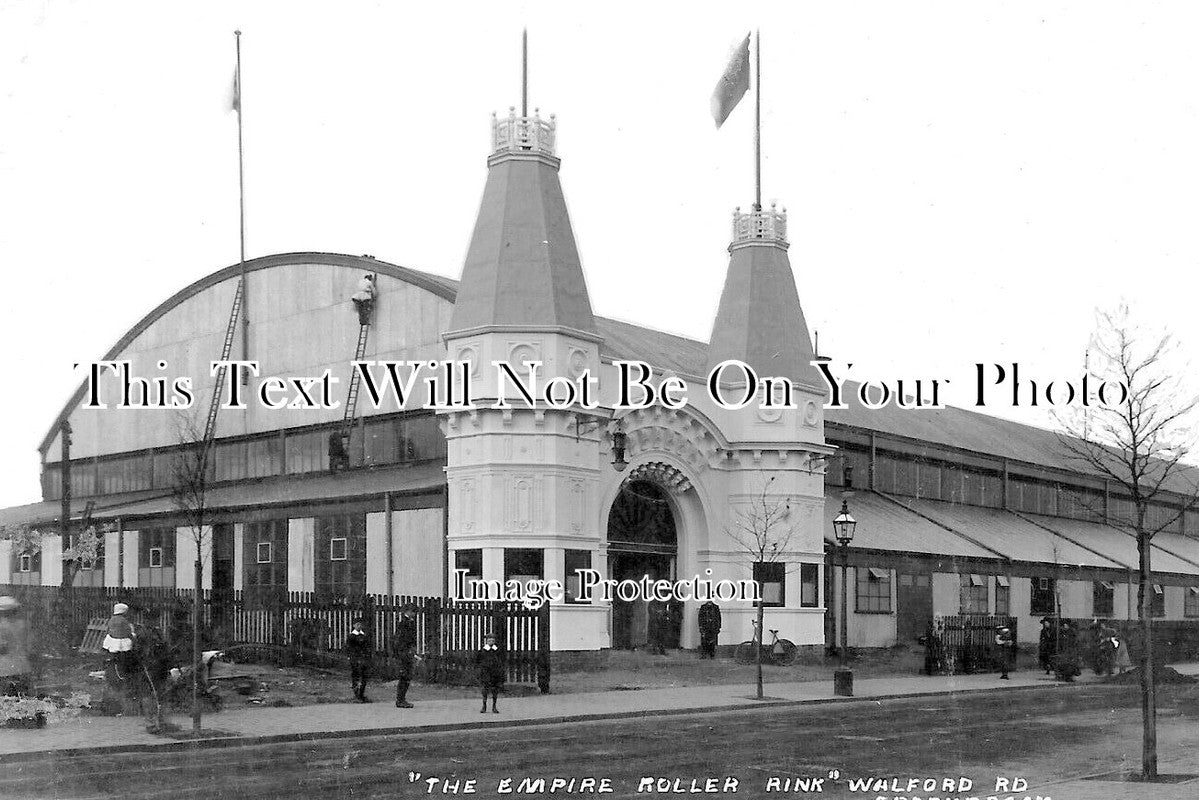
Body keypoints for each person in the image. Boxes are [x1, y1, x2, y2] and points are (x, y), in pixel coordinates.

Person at [0, 595, 31, 697]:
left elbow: (2, 648)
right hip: (23, 668)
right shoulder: (22, 624)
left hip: (5, 671)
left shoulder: (2, 626)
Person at [392, 605, 419, 708]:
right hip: (404, 652)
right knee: (405, 675)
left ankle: (402, 698)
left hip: (406, 651)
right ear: (409, 611)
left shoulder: (409, 622)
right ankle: (400, 699)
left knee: (407, 675)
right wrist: (406, 650)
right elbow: (402, 639)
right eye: (413, 612)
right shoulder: (404, 623)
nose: (415, 614)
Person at [474, 632, 505, 714]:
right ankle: (484, 706)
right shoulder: (482, 651)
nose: (491, 642)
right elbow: (477, 661)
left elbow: (501, 661)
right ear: (486, 641)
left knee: (495, 690)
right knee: (485, 689)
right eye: (489, 640)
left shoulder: (497, 651)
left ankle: (494, 706)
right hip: (485, 673)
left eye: (492, 640)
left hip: (495, 673)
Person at [103, 603, 137, 678]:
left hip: (112, 641)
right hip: (122, 642)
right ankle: (125, 671)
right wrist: (132, 636)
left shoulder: (111, 619)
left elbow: (109, 630)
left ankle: (113, 667)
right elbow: (127, 632)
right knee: (127, 653)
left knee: (114, 655)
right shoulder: (124, 621)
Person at [346, 618, 372, 703]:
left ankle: (362, 694)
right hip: (356, 659)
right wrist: (351, 657)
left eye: (360, 624)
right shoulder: (351, 636)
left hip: (364, 659)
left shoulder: (364, 635)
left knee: (364, 676)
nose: (359, 626)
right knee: (356, 676)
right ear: (353, 625)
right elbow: (349, 648)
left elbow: (367, 647)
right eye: (357, 624)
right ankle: (356, 695)